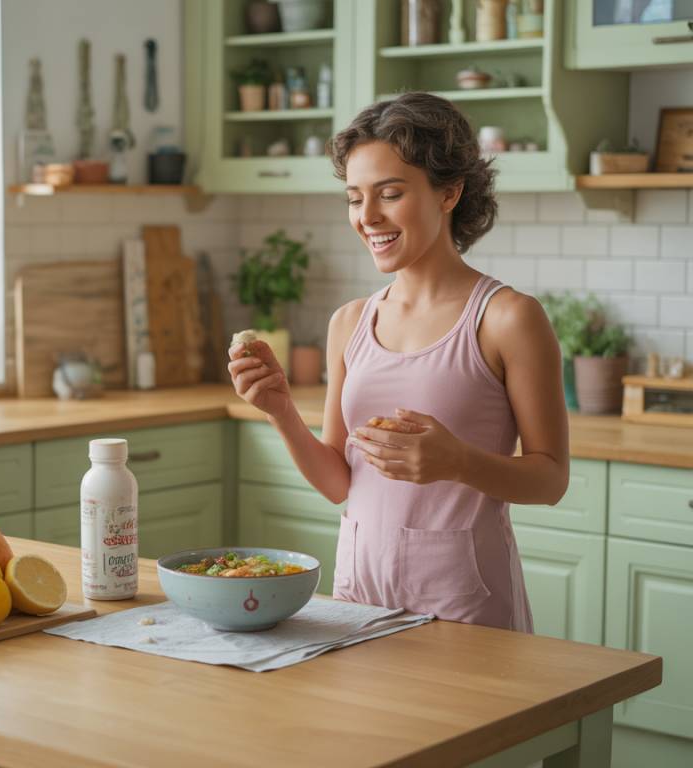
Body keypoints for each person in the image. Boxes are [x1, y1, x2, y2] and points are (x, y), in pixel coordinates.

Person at [227, 92, 569, 631]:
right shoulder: (350, 322)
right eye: (353, 198)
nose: (367, 218)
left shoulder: (507, 319)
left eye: (389, 194)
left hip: (465, 603)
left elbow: (550, 480)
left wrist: (458, 461)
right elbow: (342, 482)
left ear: (449, 193)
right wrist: (280, 410)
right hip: (358, 595)